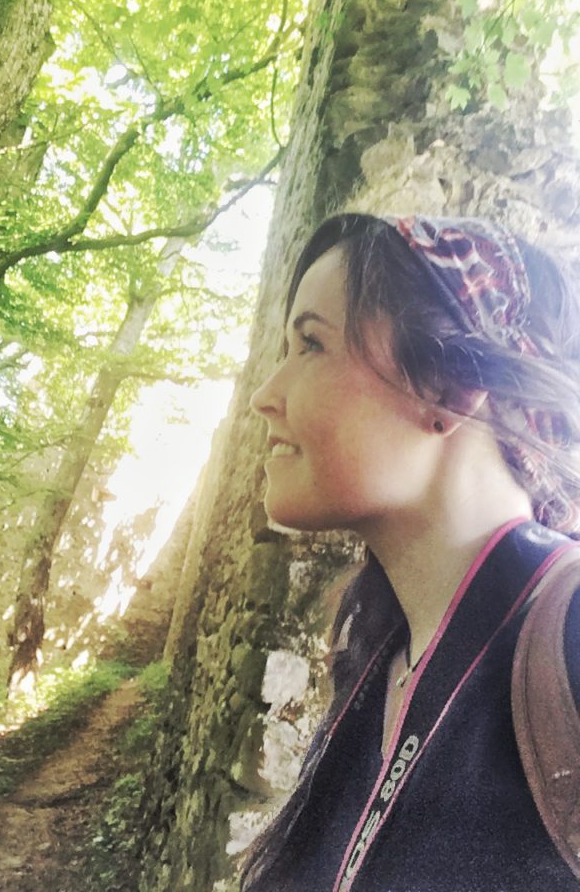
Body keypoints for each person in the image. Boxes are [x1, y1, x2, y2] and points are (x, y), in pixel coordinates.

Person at [243, 212, 580, 892]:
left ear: (448, 393)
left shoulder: (570, 636)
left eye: (310, 344)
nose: (263, 397)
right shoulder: (372, 664)